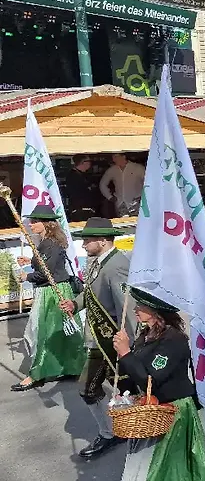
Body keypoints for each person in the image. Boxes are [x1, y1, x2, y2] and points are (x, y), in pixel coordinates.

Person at [113, 286, 205, 481]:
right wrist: (127, 396)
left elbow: (150, 379)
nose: (135, 309)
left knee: (166, 468)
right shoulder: (146, 335)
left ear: (154, 310)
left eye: (140, 305)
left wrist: (126, 353)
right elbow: (136, 374)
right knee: (146, 467)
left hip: (172, 411)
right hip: (151, 410)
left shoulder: (173, 340)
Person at [58, 217, 133, 460]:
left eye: (87, 241)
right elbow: (90, 294)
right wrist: (75, 303)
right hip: (97, 335)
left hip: (110, 337)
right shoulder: (97, 261)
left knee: (89, 387)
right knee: (124, 387)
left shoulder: (117, 265)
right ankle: (124, 426)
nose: (83, 245)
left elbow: (126, 307)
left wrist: (130, 342)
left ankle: (112, 433)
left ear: (102, 241)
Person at [11, 205, 84, 392]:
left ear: (46, 224)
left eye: (35, 221)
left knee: (42, 333)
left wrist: (27, 276)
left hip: (53, 292)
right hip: (54, 290)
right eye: (31, 220)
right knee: (60, 332)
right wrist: (30, 262)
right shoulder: (47, 242)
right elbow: (47, 264)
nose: (31, 224)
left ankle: (37, 374)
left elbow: (47, 272)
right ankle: (70, 367)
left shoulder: (50, 243)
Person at [99, 153, 146, 217]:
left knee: (137, 223)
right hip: (120, 203)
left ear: (123, 156)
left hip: (136, 202)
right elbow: (103, 184)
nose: (114, 159)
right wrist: (109, 197)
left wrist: (144, 197)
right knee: (123, 224)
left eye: (116, 157)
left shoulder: (138, 168)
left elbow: (147, 182)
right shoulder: (112, 170)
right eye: (113, 157)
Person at [66, 155, 99, 222]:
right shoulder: (74, 176)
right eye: (89, 161)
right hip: (80, 209)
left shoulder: (83, 175)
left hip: (86, 208)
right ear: (83, 162)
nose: (90, 163)